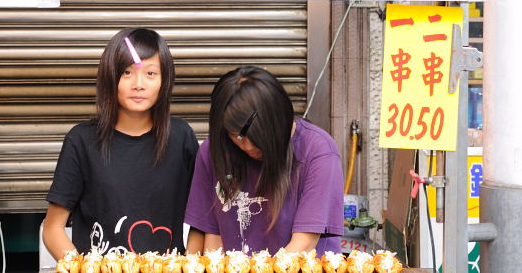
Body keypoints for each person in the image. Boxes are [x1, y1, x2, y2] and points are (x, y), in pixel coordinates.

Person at [42, 28, 199, 260]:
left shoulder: (181, 137)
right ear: (110, 76)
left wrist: (190, 264)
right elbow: (53, 229)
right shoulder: (81, 140)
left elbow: (203, 221)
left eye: (151, 73)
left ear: (165, 80)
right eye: (127, 72)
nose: (139, 84)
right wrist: (83, 268)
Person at [184, 66, 344, 255]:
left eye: (257, 136)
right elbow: (209, 232)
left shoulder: (318, 151)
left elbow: (304, 245)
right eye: (235, 136)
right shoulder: (214, 150)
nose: (248, 146)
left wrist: (259, 267)